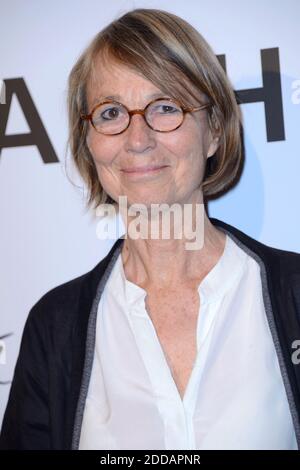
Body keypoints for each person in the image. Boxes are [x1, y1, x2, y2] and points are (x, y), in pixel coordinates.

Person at [1, 8, 300, 450]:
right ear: (89, 140)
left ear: (214, 131)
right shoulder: (54, 325)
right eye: (110, 112)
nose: (137, 138)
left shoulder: (294, 291)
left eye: (165, 107)